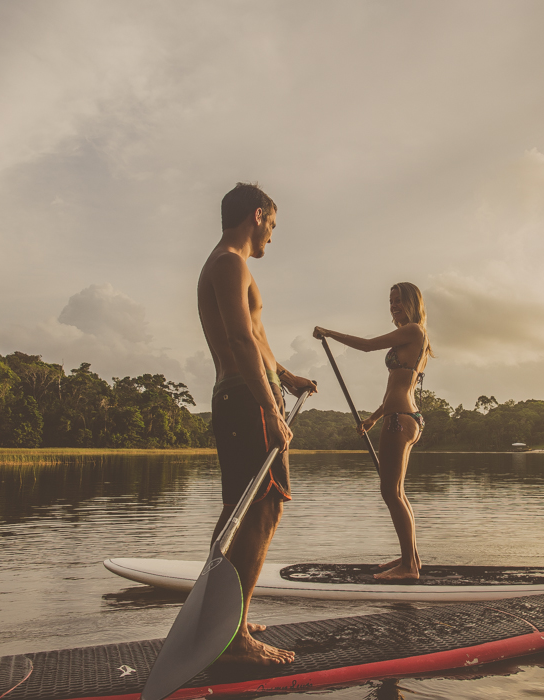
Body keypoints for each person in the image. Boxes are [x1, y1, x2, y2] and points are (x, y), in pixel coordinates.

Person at [197, 182, 316, 665]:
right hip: (247, 401)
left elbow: (257, 338)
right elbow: (241, 341)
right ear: (259, 214)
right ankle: (235, 640)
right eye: (272, 224)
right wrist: (270, 405)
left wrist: (287, 377)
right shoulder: (229, 262)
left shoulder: (228, 264)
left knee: (238, 511)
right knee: (264, 508)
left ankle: (227, 620)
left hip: (246, 395)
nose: (272, 235)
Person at [313, 282, 432, 580]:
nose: (393, 306)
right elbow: (397, 385)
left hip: (400, 419)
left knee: (390, 491)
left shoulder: (415, 331)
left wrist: (329, 333)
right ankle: (411, 559)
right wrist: (374, 419)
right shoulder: (414, 336)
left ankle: (408, 567)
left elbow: (367, 346)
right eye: (390, 301)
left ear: (412, 303)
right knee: (398, 492)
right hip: (400, 416)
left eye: (399, 301)